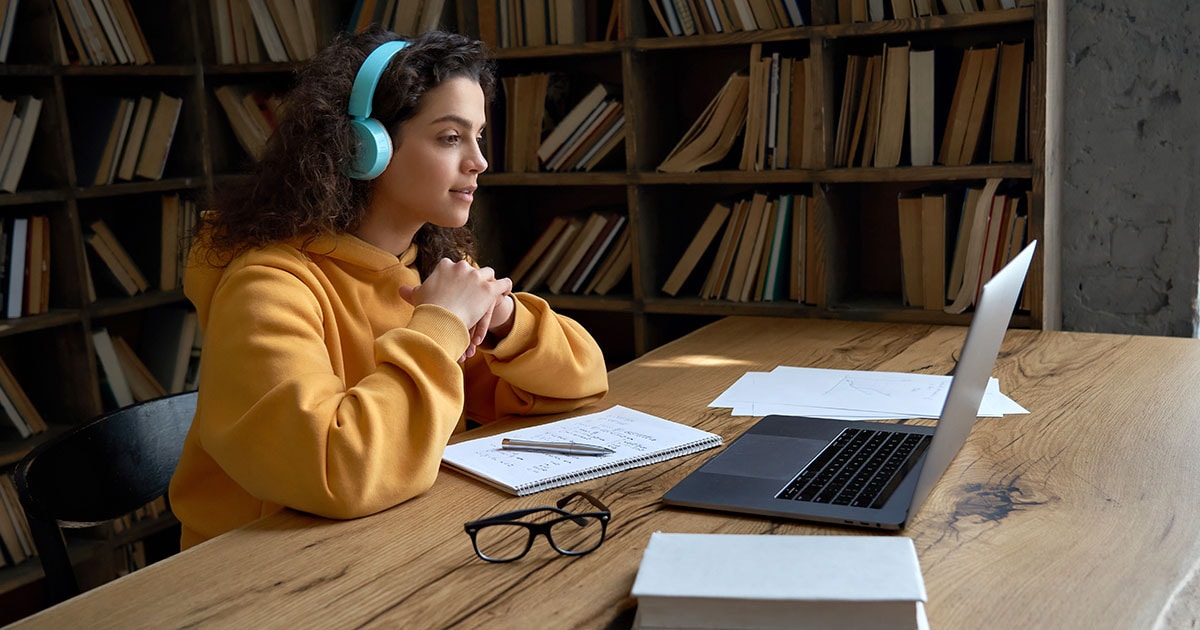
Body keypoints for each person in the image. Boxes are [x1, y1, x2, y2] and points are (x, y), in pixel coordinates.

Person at [167, 27, 609, 550]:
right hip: (265, 574)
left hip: (390, 537)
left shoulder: (430, 266)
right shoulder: (266, 287)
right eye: (450, 137)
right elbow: (339, 468)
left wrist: (508, 321)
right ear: (364, 147)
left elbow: (582, 380)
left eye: (478, 137)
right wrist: (442, 326)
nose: (479, 161)